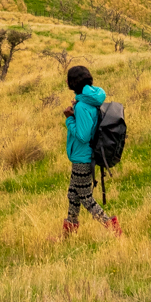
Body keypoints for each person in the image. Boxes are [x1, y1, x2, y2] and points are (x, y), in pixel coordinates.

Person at [62, 65, 119, 235]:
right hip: (82, 156)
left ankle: (111, 226)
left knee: (85, 197)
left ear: (74, 82)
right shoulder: (87, 101)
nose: (66, 81)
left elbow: (83, 136)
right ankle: (69, 232)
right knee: (73, 195)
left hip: (82, 158)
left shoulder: (82, 106)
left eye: (68, 78)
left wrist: (69, 119)